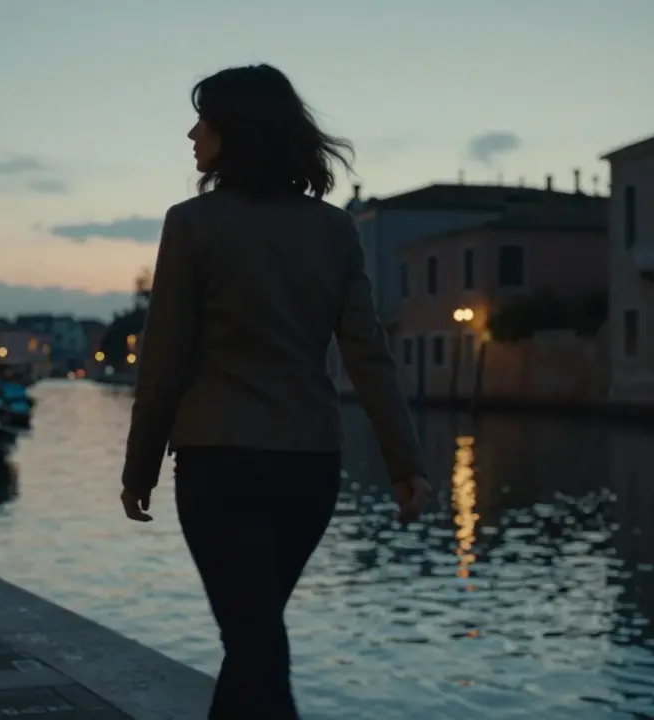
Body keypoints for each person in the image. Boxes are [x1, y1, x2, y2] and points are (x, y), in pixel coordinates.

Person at [119, 63, 429, 719]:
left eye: (203, 120)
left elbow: (164, 360)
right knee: (255, 639)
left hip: (219, 462)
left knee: (254, 642)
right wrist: (406, 462)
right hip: (308, 468)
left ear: (236, 131)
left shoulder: (191, 224)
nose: (191, 133)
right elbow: (367, 356)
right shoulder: (334, 230)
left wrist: (139, 465)